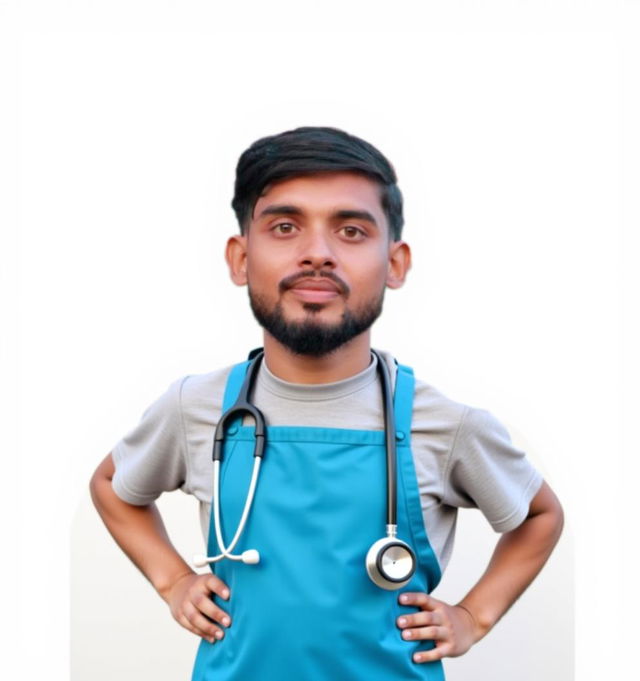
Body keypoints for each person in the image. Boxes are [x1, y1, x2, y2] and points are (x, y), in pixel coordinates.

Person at [89, 126, 564, 680]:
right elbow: (112, 487)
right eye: (285, 227)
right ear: (241, 258)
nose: (317, 253)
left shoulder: (446, 424)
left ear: (395, 263)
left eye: (352, 230)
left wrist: (472, 618)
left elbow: (539, 515)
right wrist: (173, 581)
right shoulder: (196, 407)